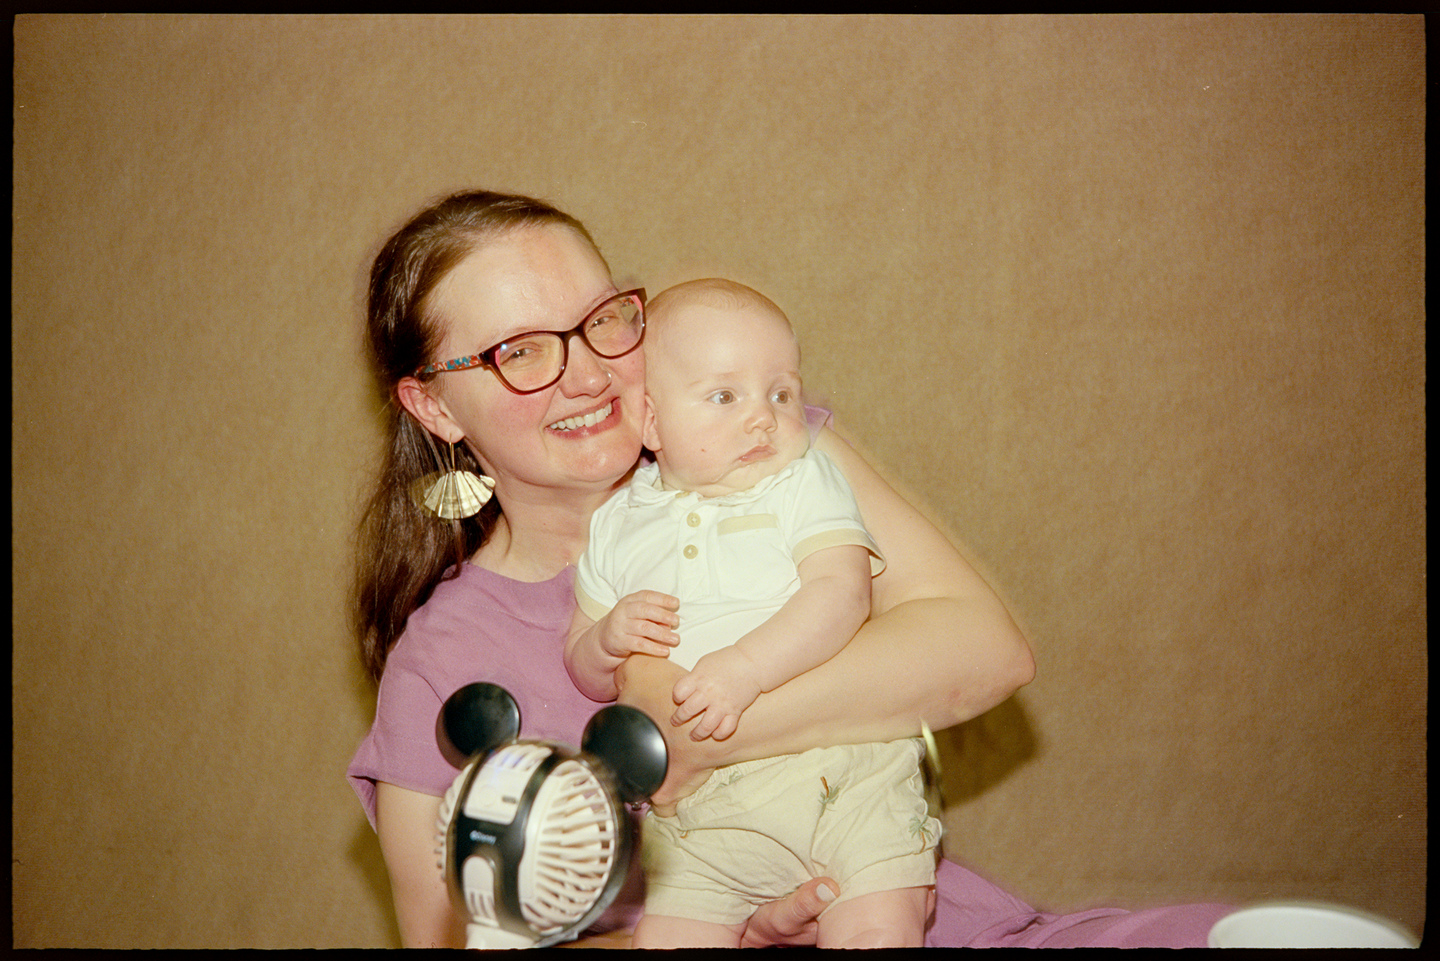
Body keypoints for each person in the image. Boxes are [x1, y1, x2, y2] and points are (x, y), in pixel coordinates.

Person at [346, 188, 1235, 948]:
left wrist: (706, 729)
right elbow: (453, 938)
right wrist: (734, 924)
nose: (586, 374)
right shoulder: (442, 662)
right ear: (434, 402)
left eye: (601, 321)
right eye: (522, 350)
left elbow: (984, 653)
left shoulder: (770, 448)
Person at [565, 279, 938, 948]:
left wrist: (745, 667)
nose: (763, 417)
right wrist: (605, 638)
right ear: (651, 422)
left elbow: (842, 592)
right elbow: (584, 669)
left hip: (845, 773)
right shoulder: (617, 525)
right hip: (703, 819)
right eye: (723, 395)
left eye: (782, 392)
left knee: (877, 928)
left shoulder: (803, 481)